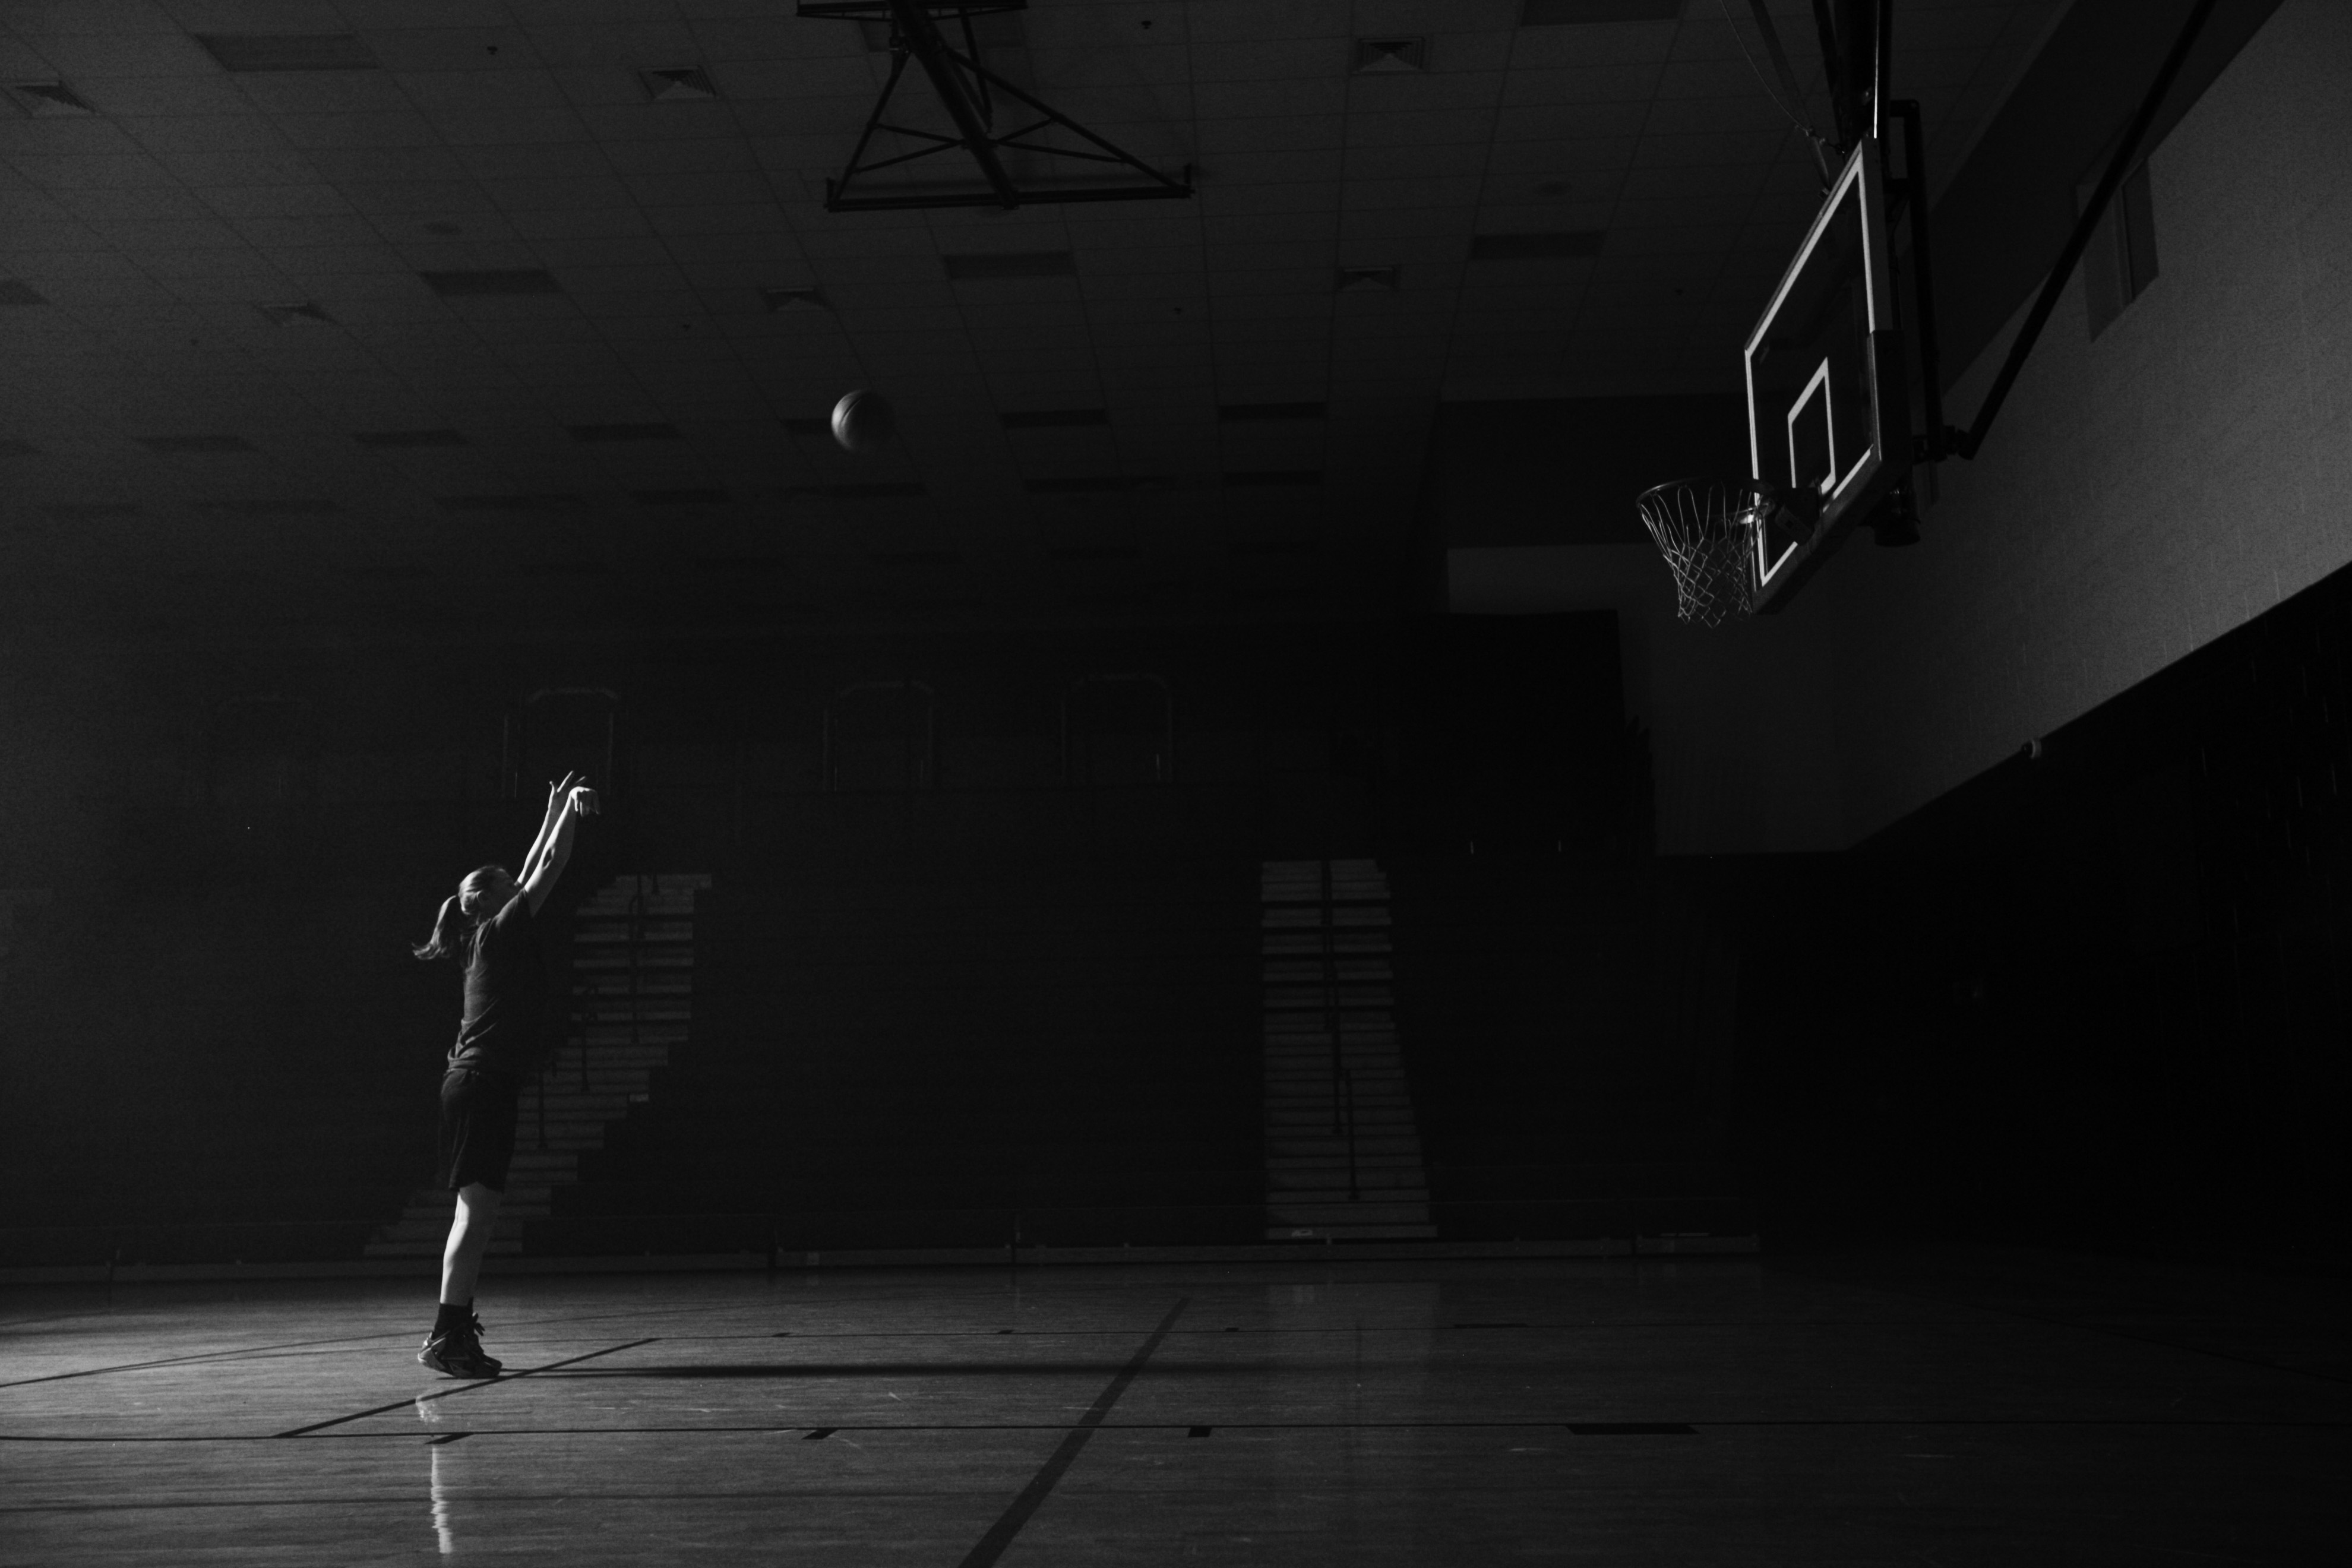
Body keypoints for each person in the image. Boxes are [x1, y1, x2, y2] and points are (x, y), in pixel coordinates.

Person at [409, 772, 600, 1377]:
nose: (517, 882)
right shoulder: (500, 929)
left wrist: (549, 812)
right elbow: (551, 864)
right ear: (491, 897)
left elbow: (530, 861)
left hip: (474, 1083)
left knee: (476, 1212)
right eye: (506, 883)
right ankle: (447, 1333)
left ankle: (452, 1329)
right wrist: (570, 811)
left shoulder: (485, 932)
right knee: (477, 1213)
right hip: (482, 1082)